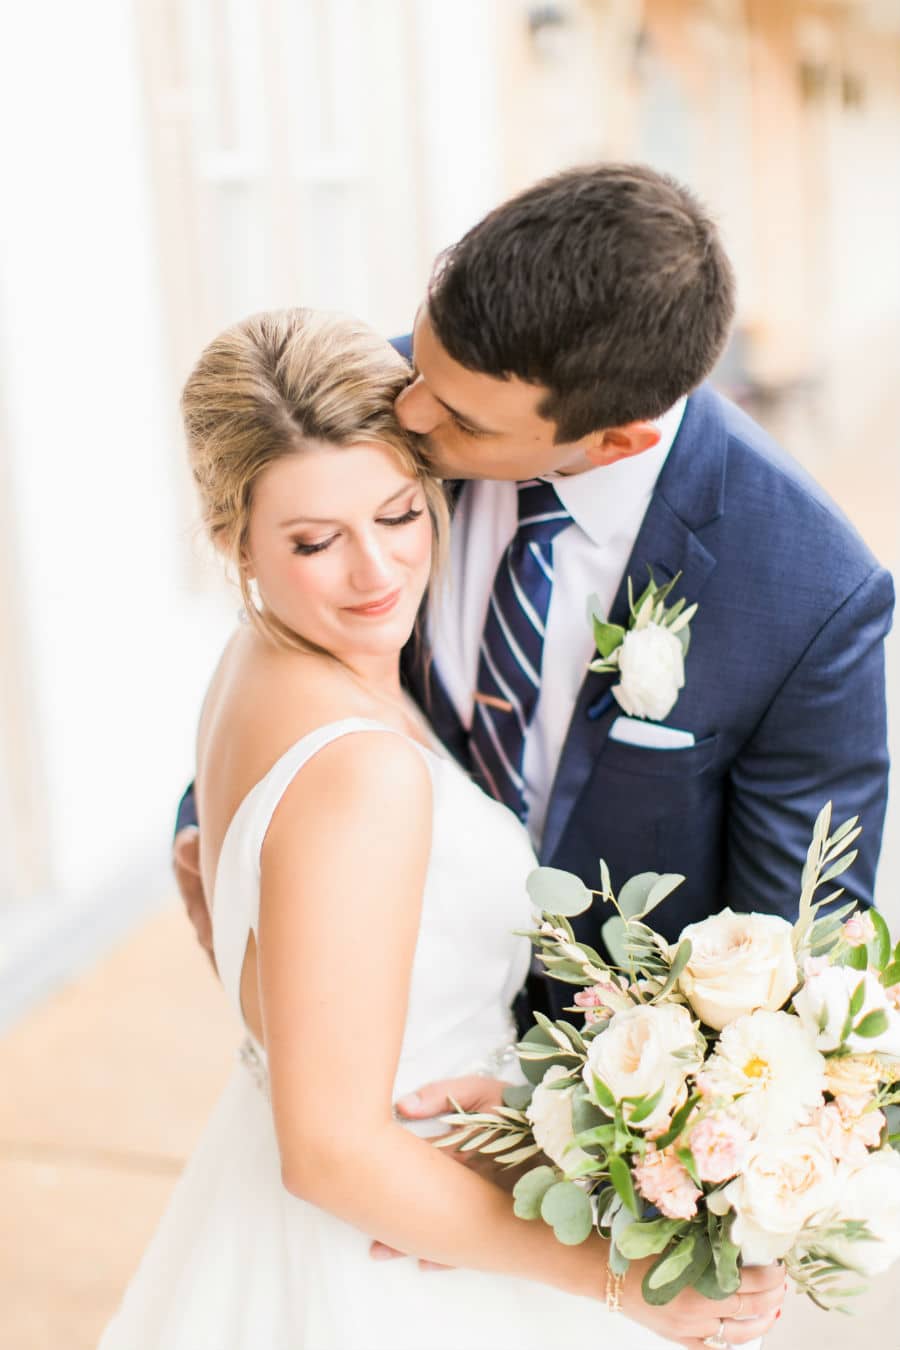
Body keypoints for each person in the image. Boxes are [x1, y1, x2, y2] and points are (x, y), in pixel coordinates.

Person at [101, 309, 783, 1349]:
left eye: (398, 515)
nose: (375, 574)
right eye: (315, 542)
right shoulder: (364, 771)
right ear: (233, 539)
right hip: (394, 1256)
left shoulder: (256, 663)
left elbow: (239, 919)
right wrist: (617, 1281)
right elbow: (330, 1152)